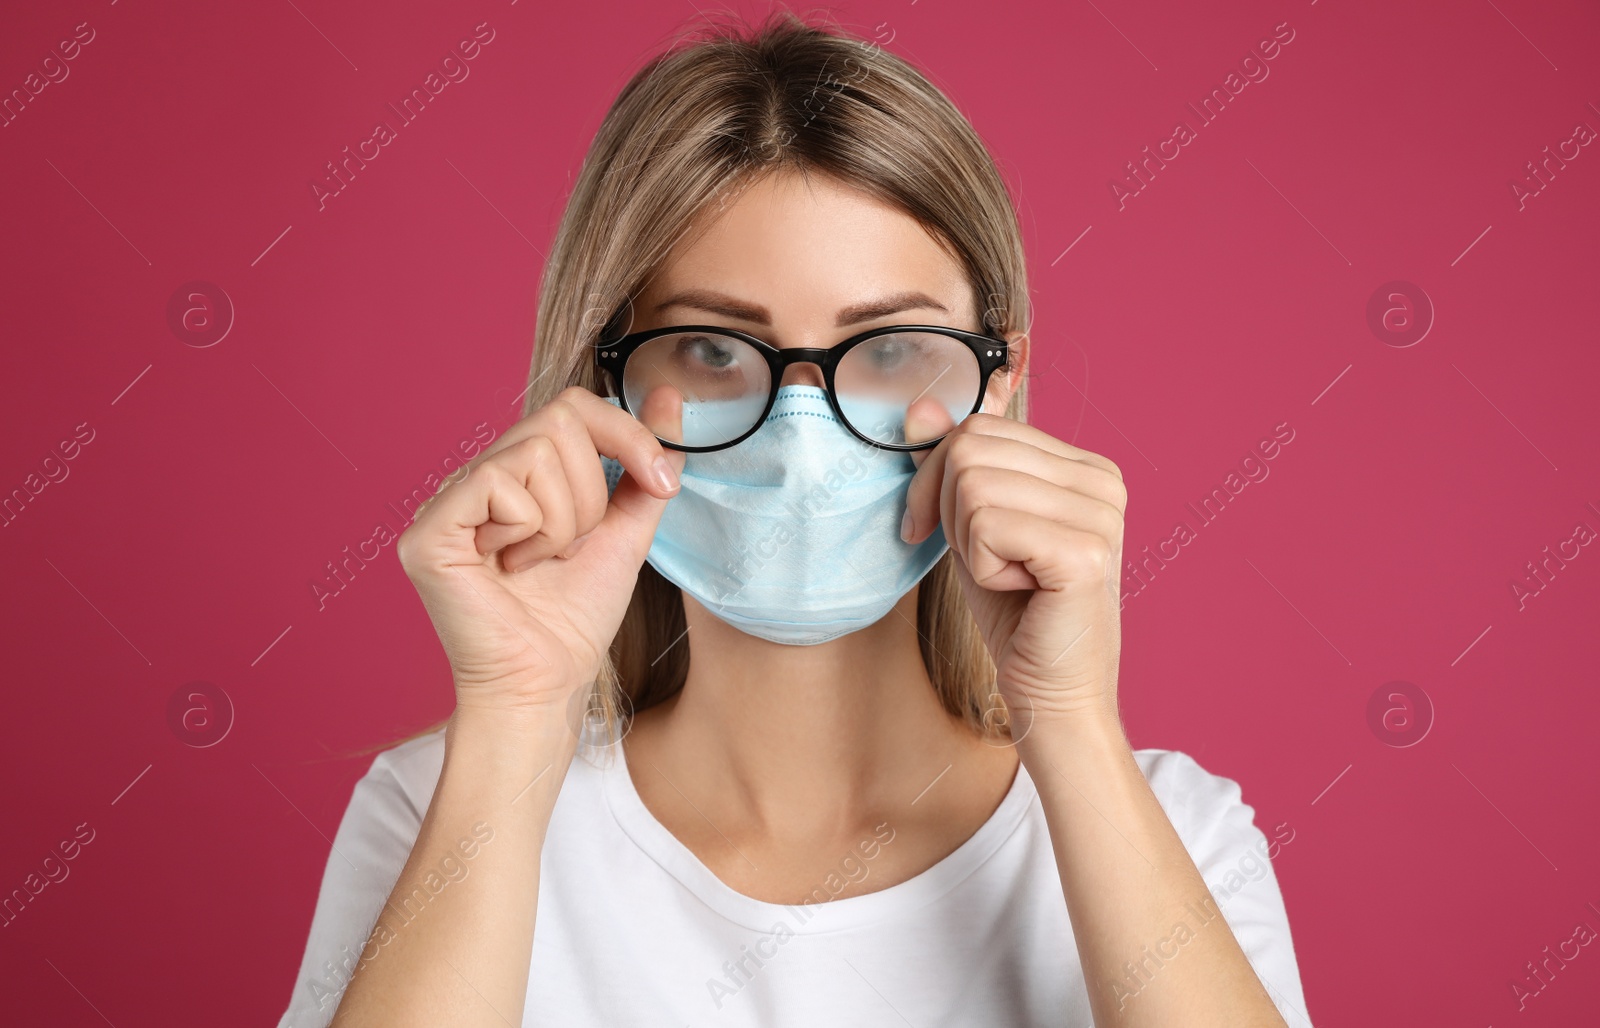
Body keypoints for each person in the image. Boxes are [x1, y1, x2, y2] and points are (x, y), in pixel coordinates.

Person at [277, 12, 1308, 1027]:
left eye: (892, 347)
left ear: (998, 385)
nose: (806, 436)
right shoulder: (437, 811)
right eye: (716, 351)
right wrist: (511, 717)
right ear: (606, 386)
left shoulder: (1176, 832)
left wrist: (1070, 721)